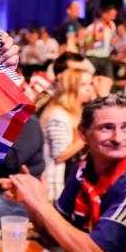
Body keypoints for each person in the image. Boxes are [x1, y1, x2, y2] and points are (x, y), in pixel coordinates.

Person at [2, 95, 126, 252]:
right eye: (106, 128)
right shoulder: (83, 168)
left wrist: (42, 204)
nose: (118, 138)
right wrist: (32, 203)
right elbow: (55, 237)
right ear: (83, 133)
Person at [40, 69, 97, 200]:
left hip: (71, 182)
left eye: (91, 83)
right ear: (70, 88)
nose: (90, 89)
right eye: (83, 85)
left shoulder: (78, 110)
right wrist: (88, 133)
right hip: (54, 188)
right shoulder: (59, 114)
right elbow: (59, 155)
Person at [85, 5, 118, 78]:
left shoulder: (112, 26)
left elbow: (111, 41)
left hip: (106, 57)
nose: (114, 17)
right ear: (104, 14)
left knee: (109, 81)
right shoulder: (92, 28)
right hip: (93, 58)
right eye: (112, 15)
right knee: (91, 79)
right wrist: (93, 40)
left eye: (115, 15)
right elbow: (86, 44)